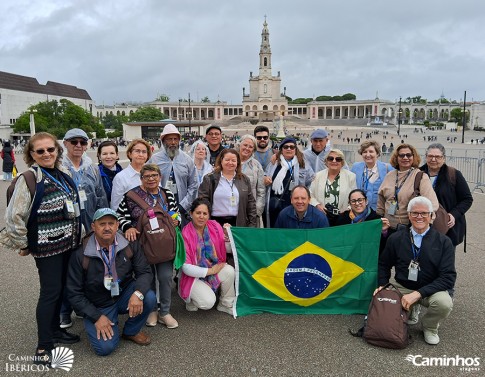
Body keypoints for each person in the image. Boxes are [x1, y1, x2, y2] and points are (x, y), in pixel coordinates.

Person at [0, 132, 81, 366]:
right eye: (40, 151)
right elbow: (14, 217)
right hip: (47, 249)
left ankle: (55, 330)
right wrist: (24, 244)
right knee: (50, 292)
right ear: (31, 155)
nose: (47, 154)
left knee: (62, 289)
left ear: (57, 150)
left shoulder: (62, 174)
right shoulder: (29, 179)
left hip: (68, 243)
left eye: (50, 149)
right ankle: (43, 345)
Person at [66, 208, 156, 356]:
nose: (107, 228)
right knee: (105, 349)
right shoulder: (80, 254)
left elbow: (145, 272)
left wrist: (138, 294)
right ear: (93, 226)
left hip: (123, 293)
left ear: (117, 225)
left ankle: (130, 331)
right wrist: (96, 316)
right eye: (102, 224)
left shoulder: (129, 245)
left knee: (149, 296)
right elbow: (74, 293)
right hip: (98, 303)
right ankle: (104, 320)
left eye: (111, 223)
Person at [376, 196, 456, 345]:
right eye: (415, 213)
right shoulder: (396, 238)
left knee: (444, 303)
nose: (419, 217)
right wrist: (382, 286)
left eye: (424, 213)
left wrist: (418, 294)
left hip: (430, 288)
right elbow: (383, 264)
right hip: (403, 285)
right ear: (409, 215)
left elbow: (448, 277)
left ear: (431, 216)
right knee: (380, 299)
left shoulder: (444, 242)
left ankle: (430, 327)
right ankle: (411, 309)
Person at [117, 164, 180, 329]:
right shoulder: (130, 196)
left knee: (165, 277)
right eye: (147, 176)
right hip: (142, 243)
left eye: (154, 175)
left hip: (164, 243)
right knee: (147, 276)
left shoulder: (167, 194)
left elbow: (175, 211)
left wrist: (176, 219)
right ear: (141, 179)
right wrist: (127, 227)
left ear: (159, 177)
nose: (151, 179)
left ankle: (165, 311)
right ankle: (151, 310)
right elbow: (119, 216)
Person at [179, 198, 235, 315]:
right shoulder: (185, 233)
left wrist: (228, 235)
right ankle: (191, 299)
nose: (201, 216)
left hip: (212, 269)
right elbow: (186, 267)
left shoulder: (215, 226)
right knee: (208, 302)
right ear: (191, 213)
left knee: (229, 271)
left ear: (209, 215)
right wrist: (211, 270)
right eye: (198, 213)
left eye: (205, 213)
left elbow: (228, 249)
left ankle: (225, 303)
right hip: (193, 276)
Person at [419, 143, 473, 248]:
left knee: (445, 261)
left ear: (444, 158)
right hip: (421, 224)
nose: (433, 159)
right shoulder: (418, 173)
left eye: (437, 156)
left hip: (447, 226)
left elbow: (467, 199)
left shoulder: (453, 174)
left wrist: (454, 214)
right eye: (430, 156)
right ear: (426, 157)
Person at [377, 144, 439, 232]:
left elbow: (432, 204)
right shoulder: (390, 175)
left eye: (408, 155)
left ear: (413, 157)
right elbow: (381, 199)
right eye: (401, 155)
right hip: (388, 228)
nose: (405, 158)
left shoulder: (420, 176)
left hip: (409, 228)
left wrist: (425, 226)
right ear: (396, 158)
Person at [149, 124, 198, 228]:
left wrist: (183, 205)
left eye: (175, 139)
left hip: (182, 207)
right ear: (163, 141)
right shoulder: (155, 160)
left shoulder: (187, 160)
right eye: (169, 139)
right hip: (159, 208)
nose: (173, 142)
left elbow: (193, 185)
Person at [62, 128, 108, 231]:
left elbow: (100, 196)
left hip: (90, 219)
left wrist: (103, 219)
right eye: (74, 141)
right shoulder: (59, 168)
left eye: (82, 142)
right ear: (65, 143)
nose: (78, 145)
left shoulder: (93, 169)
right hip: (66, 222)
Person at [198, 148, 257, 228]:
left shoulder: (244, 179)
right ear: (221, 160)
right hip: (214, 223)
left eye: (233, 160)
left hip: (238, 223)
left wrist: (252, 225)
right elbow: (202, 201)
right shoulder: (209, 179)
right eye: (227, 160)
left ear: (238, 163)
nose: (230, 163)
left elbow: (251, 204)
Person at [264, 137, 315, 228]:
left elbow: (311, 182)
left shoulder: (303, 164)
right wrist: (265, 179)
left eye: (292, 147)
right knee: (274, 229)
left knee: (291, 229)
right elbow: (265, 176)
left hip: (293, 204)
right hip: (274, 204)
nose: (289, 149)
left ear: (295, 149)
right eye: (286, 147)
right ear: (281, 149)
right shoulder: (274, 163)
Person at [309, 149, 356, 226]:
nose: (334, 161)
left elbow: (354, 197)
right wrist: (317, 205)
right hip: (321, 216)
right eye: (331, 158)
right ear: (326, 161)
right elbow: (310, 195)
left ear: (342, 162)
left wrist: (347, 210)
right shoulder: (317, 176)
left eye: (338, 159)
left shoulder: (351, 176)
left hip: (342, 218)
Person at [351, 140, 394, 211]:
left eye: (371, 151)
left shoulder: (387, 168)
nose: (368, 155)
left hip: (380, 212)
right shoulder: (356, 167)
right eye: (365, 152)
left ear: (377, 153)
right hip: (360, 211)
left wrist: (391, 211)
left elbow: (394, 193)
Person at [110, 139, 152, 211]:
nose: (141, 155)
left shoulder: (153, 174)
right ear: (130, 154)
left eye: (144, 152)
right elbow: (115, 206)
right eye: (137, 151)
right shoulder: (121, 177)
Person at [238, 134, 266, 226]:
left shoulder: (256, 165)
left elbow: (261, 190)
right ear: (239, 145)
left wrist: (257, 211)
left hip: (251, 210)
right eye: (245, 145)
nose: (247, 148)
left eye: (250, 147)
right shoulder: (232, 161)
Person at [97, 140, 123, 205]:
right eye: (104, 154)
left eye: (112, 153)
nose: (108, 157)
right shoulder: (95, 175)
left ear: (117, 155)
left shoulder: (124, 174)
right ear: (99, 156)